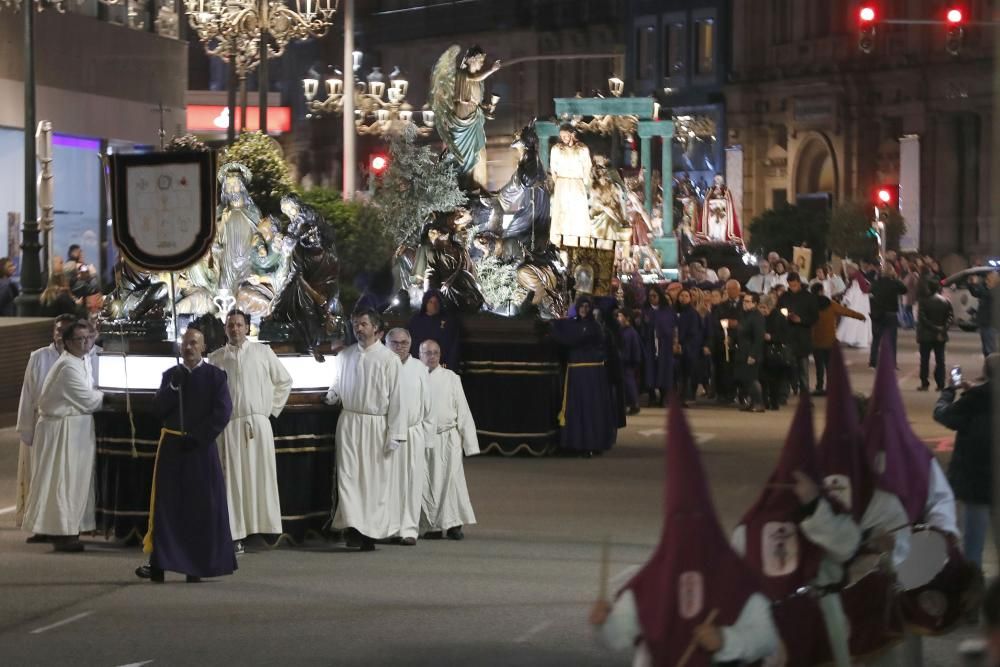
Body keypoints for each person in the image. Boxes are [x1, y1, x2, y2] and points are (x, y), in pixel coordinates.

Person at [590, 400, 778, 666]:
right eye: (679, 520)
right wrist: (603, 624)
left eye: (695, 520)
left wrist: (726, 640)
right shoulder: (653, 580)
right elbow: (619, 635)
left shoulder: (735, 578)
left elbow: (766, 638)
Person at [733, 397, 861, 667]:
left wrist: (814, 507)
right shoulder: (752, 526)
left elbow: (847, 545)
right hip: (773, 629)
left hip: (822, 624)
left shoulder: (828, 509)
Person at [140, 326, 236, 583]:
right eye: (185, 343)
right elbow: (158, 410)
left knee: (200, 506)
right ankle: (159, 562)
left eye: (194, 343)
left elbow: (223, 411)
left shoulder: (216, 377)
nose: (189, 347)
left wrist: (199, 437)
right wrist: (172, 388)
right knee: (167, 507)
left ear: (203, 347)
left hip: (200, 448)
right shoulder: (171, 375)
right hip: (172, 446)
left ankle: (195, 565)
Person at [208, 310, 293, 553]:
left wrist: (269, 410)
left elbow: (284, 381)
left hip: (258, 425)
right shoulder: (216, 358)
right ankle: (235, 533)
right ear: (225, 329)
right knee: (232, 481)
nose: (235, 329)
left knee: (259, 477)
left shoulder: (263, 352)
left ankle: (260, 528)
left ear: (248, 327)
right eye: (230, 325)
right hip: (230, 426)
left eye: (239, 325)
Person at [325, 308, 406, 551]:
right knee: (348, 477)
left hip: (375, 425)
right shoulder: (345, 356)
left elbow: (398, 400)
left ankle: (370, 532)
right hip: (349, 422)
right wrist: (331, 394)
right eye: (355, 324)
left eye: (363, 324)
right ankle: (353, 528)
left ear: (376, 329)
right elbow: (337, 384)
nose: (358, 328)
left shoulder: (389, 360)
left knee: (373, 479)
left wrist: (395, 433)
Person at [21, 320, 103, 552]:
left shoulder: (80, 360)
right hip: (62, 431)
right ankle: (62, 532)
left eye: (89, 337)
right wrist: (108, 396)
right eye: (80, 339)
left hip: (74, 429)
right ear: (67, 343)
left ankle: (69, 528)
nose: (86, 342)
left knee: (73, 483)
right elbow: (88, 399)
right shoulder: (67, 366)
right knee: (62, 482)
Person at [14, 314, 77, 539]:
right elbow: (28, 393)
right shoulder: (39, 357)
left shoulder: (82, 357)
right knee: (40, 478)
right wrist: (26, 430)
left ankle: (64, 526)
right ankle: (39, 526)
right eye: (57, 330)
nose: (60, 335)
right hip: (43, 426)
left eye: (66, 331)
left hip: (70, 427)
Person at [935, 355, 999, 569]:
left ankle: (975, 592)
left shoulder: (975, 400)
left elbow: (943, 415)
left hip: (977, 482)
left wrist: (949, 392)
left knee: (973, 546)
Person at [419, 339, 479, 540]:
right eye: (427, 353)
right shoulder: (414, 377)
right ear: (420, 354)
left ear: (440, 355)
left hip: (448, 437)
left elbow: (463, 411)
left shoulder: (451, 378)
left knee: (452, 481)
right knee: (428, 483)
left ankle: (454, 524)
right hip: (424, 438)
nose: (431, 356)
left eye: (435, 352)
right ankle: (432, 525)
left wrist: (469, 443)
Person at [551, 296, 616, 455]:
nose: (584, 309)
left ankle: (592, 442)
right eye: (582, 306)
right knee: (577, 408)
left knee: (591, 407)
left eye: (587, 306)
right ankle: (576, 443)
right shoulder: (573, 324)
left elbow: (572, 340)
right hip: (576, 372)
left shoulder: (595, 327)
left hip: (592, 374)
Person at [385, 327, 430, 546]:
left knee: (412, 482)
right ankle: (388, 527)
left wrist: (427, 439)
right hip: (388, 433)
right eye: (394, 343)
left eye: (403, 343)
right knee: (389, 482)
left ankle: (409, 529)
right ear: (386, 344)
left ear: (410, 345)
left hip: (413, 432)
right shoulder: (382, 364)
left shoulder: (419, 368)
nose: (399, 347)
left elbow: (428, 405)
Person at [810, 283, 864, 396]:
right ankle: (831, 388)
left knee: (819, 366)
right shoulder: (830, 304)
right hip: (830, 340)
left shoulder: (809, 305)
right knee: (829, 366)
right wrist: (860, 316)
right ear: (821, 291)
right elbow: (846, 311)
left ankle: (819, 387)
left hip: (815, 340)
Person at [549, 124, 593, 244]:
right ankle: (560, 240)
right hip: (562, 183)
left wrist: (584, 181)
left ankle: (579, 241)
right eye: (562, 136)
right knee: (562, 212)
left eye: (566, 135)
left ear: (572, 134)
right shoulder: (556, 149)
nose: (564, 138)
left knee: (577, 212)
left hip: (577, 182)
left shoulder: (582, 149)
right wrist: (558, 182)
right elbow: (553, 168)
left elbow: (587, 167)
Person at [777, 273, 819, 396]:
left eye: (795, 285)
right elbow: (779, 311)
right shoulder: (784, 296)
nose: (793, 287)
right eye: (790, 285)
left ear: (799, 283)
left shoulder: (809, 297)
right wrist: (785, 317)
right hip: (788, 336)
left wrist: (801, 320)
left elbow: (815, 317)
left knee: (803, 368)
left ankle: (805, 394)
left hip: (803, 336)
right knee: (787, 365)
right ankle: (784, 393)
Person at [407, 289, 460, 370]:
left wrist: (451, 366)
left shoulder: (449, 321)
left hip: (442, 365)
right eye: (430, 302)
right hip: (419, 365)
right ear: (425, 303)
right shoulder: (415, 321)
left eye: (436, 302)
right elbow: (410, 344)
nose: (434, 305)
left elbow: (453, 346)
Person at [917, 279, 954, 391]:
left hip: (926, 335)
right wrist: (943, 328)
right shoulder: (946, 301)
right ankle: (940, 383)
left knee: (924, 360)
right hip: (940, 335)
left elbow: (922, 318)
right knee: (940, 360)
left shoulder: (923, 301)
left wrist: (934, 327)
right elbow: (950, 317)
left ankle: (924, 383)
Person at [640, 285, 673, 407]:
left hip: (664, 345)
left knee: (663, 371)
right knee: (650, 371)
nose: (652, 299)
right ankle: (652, 396)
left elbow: (671, 326)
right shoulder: (646, 311)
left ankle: (663, 397)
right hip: (650, 345)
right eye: (650, 296)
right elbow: (643, 328)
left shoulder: (667, 310)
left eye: (654, 296)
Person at [868, 264, 907, 368]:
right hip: (891, 314)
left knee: (876, 339)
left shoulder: (876, 283)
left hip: (877, 314)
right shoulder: (895, 283)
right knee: (892, 340)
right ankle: (892, 363)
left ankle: (873, 362)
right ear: (892, 273)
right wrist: (896, 278)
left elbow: (870, 292)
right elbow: (904, 290)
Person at [713, 279, 743, 405]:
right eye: (728, 289)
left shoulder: (744, 305)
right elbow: (716, 323)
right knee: (723, 369)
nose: (731, 291)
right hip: (724, 342)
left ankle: (738, 394)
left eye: (733, 289)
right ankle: (724, 394)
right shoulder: (721, 306)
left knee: (737, 370)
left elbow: (748, 322)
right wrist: (724, 335)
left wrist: (737, 325)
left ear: (739, 290)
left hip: (740, 343)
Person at [735, 292, 766, 413]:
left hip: (751, 353)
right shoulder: (745, 315)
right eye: (744, 301)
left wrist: (753, 355)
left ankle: (759, 403)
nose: (744, 303)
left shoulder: (757, 317)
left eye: (748, 301)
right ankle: (752, 402)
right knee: (746, 379)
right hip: (742, 352)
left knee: (752, 378)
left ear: (755, 303)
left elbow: (759, 338)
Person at [675, 289, 706, 407]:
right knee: (678, 374)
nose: (683, 298)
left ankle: (683, 398)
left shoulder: (692, 313)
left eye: (686, 295)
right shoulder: (675, 311)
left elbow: (694, 331)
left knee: (685, 374)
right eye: (681, 295)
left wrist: (682, 343)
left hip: (687, 347)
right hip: (675, 345)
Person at [760, 296, 790, 411]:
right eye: (761, 307)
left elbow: (785, 336)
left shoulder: (779, 318)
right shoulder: (761, 317)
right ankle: (765, 401)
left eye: (765, 307)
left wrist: (771, 337)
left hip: (775, 353)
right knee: (763, 378)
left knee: (774, 380)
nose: (763, 310)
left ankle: (774, 402)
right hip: (763, 351)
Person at [615, 309, 642, 415]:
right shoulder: (620, 331)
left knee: (629, 383)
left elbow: (635, 348)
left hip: (627, 362)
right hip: (621, 361)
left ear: (627, 318)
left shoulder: (631, 332)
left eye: (620, 316)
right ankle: (625, 404)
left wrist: (635, 360)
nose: (618, 318)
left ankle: (634, 404)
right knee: (624, 385)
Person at [837, 266, 872, 348]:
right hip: (861, 307)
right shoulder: (860, 279)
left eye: (849, 269)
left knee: (852, 323)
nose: (847, 271)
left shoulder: (855, 280)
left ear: (853, 269)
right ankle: (857, 341)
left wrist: (844, 301)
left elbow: (851, 293)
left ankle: (853, 340)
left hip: (855, 306)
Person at [969, 271, 1000, 357]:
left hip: (991, 324)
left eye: (989, 280)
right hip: (984, 323)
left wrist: (977, 284)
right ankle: (989, 367)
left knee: (991, 349)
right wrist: (972, 284)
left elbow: (986, 294)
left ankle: (993, 368)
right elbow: (976, 293)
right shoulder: (987, 289)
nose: (986, 282)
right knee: (986, 349)